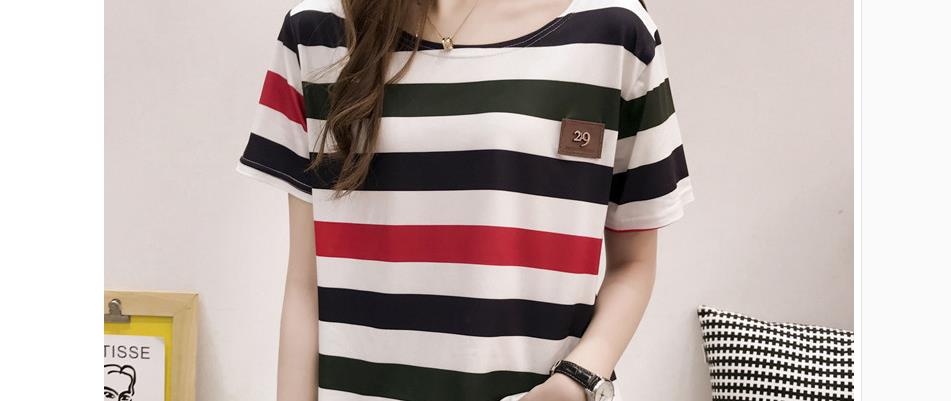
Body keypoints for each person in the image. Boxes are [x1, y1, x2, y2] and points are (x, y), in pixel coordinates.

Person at [235, 0, 694, 400]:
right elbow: (306, 281)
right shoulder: (316, 30)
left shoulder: (614, 30)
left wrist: (579, 378)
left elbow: (633, 262)